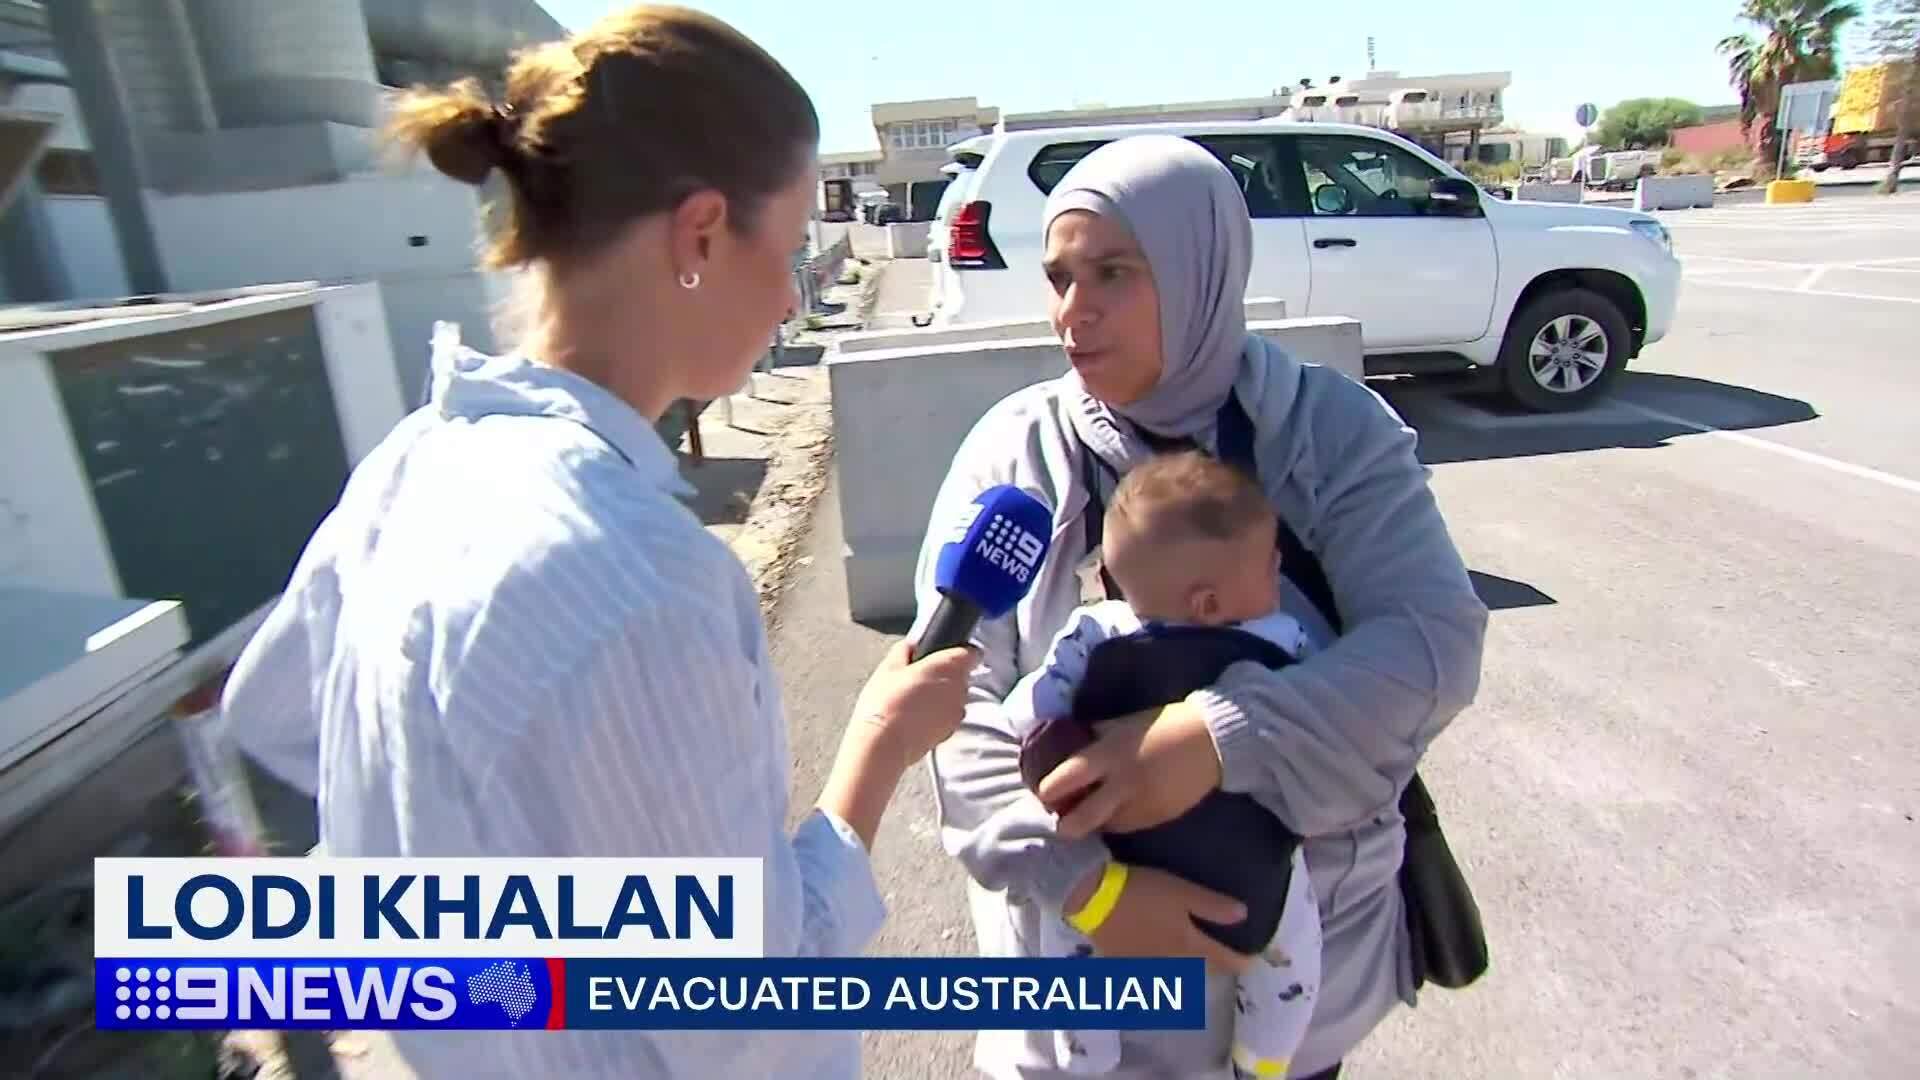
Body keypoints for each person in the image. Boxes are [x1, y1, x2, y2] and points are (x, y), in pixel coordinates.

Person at [217, 7, 974, 1078]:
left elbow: (278, 722)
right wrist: (878, 747)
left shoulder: (407, 470)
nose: (795, 290)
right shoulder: (644, 581)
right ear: (701, 233)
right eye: (793, 242)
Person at [912, 135, 1489, 1079]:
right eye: (1059, 277)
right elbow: (949, 700)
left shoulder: (1329, 431)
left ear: (1201, 269)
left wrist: (1214, 739)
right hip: (1081, 1019)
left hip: (1293, 1003)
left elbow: (1429, 649)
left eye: (1113, 273)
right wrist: (1091, 891)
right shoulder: (1016, 454)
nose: (1074, 312)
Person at [1002, 451, 1322, 1079]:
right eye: (1269, 566)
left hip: (1119, 853)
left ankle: (1084, 1060)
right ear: (1207, 603)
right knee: (1291, 956)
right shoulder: (1285, 640)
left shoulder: (1094, 634)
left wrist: (1054, 747)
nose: (1278, 574)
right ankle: (1262, 1063)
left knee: (1066, 942)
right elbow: (1330, 708)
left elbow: (1026, 717)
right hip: (1252, 858)